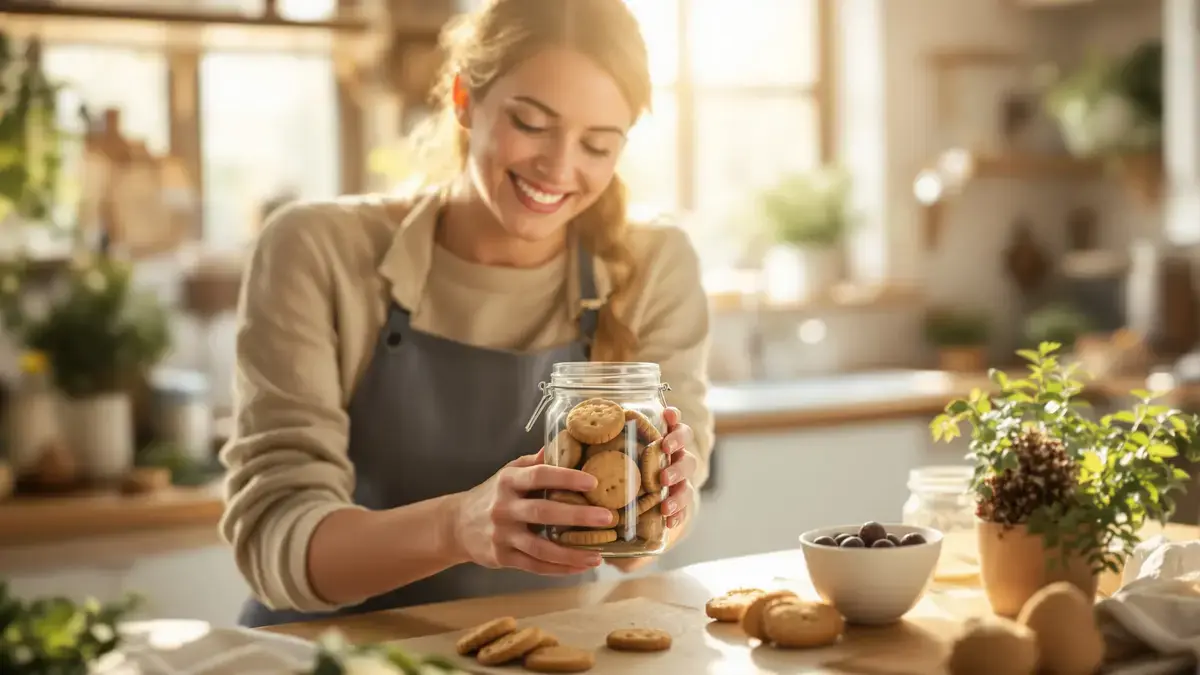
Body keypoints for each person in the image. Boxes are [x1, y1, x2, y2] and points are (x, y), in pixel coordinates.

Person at [220, 0, 715, 628]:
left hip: (546, 653)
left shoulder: (653, 266)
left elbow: (638, 551)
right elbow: (274, 539)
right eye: (531, 123)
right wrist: (458, 526)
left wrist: (664, 503)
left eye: (597, 144)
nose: (559, 168)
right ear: (463, 99)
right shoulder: (317, 249)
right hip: (325, 656)